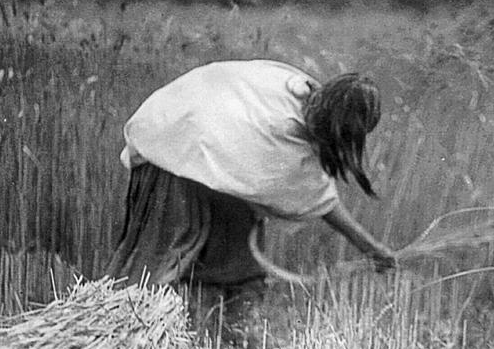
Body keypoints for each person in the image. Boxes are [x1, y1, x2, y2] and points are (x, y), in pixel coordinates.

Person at [106, 59, 397, 333]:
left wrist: (370, 248)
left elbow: (317, 195)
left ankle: (220, 341)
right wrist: (370, 248)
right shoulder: (276, 128)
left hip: (206, 142)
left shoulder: (300, 104)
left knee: (237, 269)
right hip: (173, 146)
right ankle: (137, 331)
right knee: (167, 263)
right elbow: (319, 200)